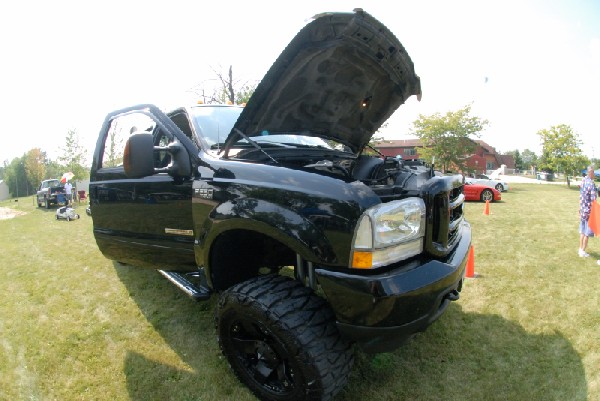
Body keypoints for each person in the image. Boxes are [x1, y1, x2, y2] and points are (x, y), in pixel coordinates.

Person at [578, 165, 597, 258]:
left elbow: (581, 196)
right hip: (589, 211)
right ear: (591, 172)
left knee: (582, 231)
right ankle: (582, 251)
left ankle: (580, 249)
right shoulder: (591, 184)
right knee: (587, 232)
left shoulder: (583, 181)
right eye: (593, 173)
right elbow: (594, 200)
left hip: (582, 210)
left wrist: (580, 207)